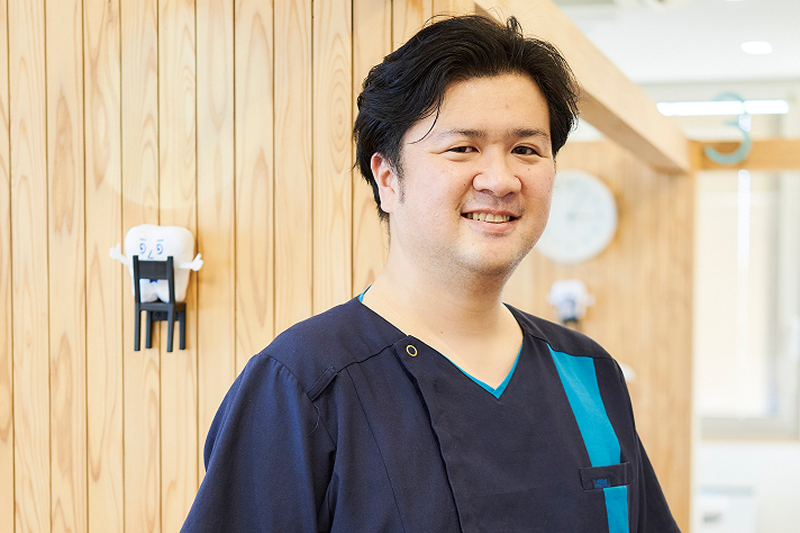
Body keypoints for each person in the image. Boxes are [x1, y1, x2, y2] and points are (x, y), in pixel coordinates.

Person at [181, 14, 680, 532]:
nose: (501, 180)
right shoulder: (304, 383)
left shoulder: (588, 372)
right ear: (387, 178)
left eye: (526, 150)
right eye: (463, 148)